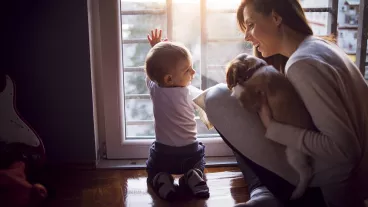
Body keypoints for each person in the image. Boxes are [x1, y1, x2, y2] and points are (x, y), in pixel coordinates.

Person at [203, 0, 368, 206]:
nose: (246, 36)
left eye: (251, 25)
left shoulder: (302, 64)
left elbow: (345, 151)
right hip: (356, 184)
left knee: (216, 97)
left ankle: (266, 194)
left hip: (329, 190)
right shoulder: (319, 46)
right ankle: (262, 192)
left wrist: (274, 128)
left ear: (276, 18)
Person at [144, 29, 210, 201]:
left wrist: (155, 48)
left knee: (152, 166)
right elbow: (208, 105)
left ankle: (161, 178)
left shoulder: (155, 90)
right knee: (200, 154)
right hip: (190, 154)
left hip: (163, 155)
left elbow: (150, 74)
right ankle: (194, 175)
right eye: (187, 70)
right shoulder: (190, 92)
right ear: (168, 79)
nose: (193, 72)